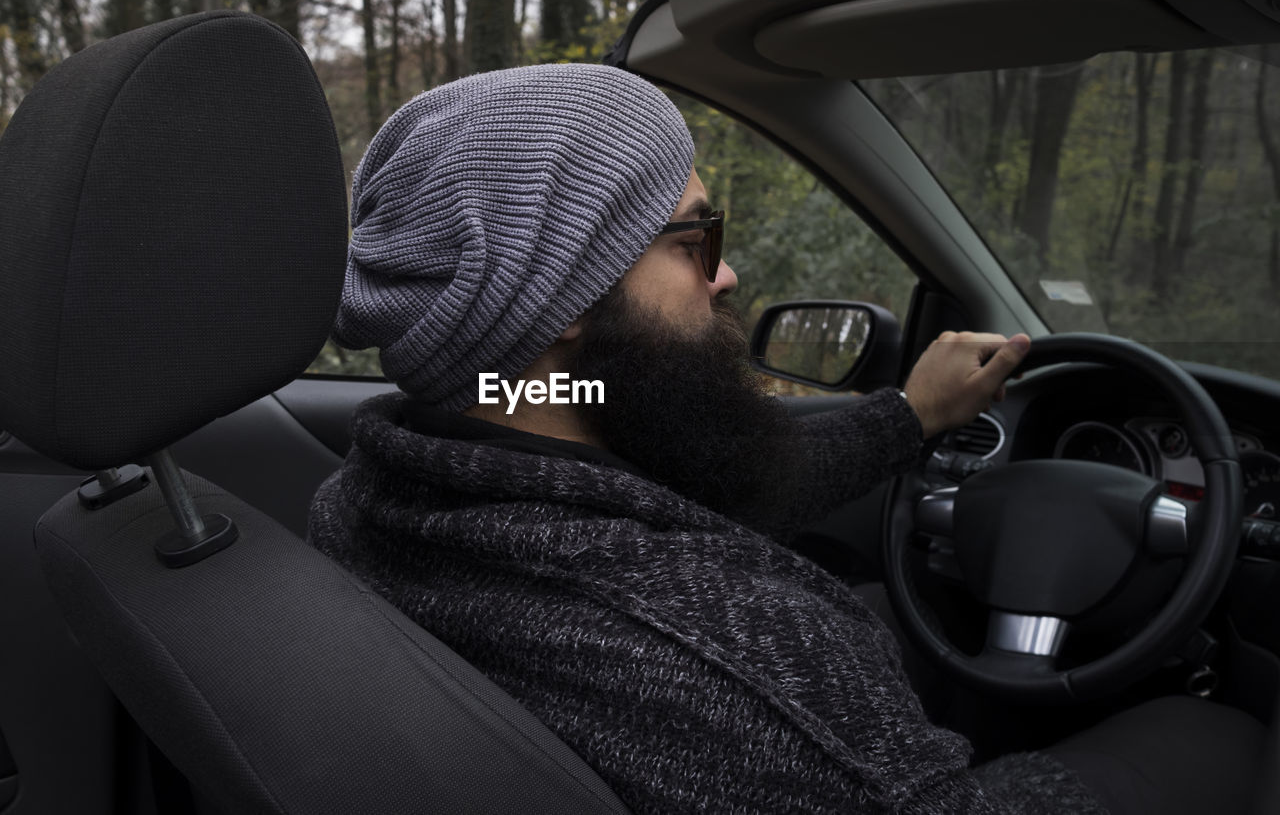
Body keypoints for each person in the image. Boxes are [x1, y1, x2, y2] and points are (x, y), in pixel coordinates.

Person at [309, 63, 1262, 813]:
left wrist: (910, 414)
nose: (725, 276)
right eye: (692, 242)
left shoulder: (383, 485)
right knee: (1211, 735)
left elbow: (705, 487)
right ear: (558, 299)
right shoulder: (720, 656)